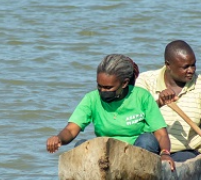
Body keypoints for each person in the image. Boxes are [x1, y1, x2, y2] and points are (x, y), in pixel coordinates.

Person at [46, 54, 176, 171]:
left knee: (148, 139)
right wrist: (59, 139)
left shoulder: (142, 97)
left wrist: (165, 153)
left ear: (124, 83)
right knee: (81, 146)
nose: (102, 91)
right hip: (106, 155)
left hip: (137, 154)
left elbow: (161, 134)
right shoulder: (91, 99)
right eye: (99, 86)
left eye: (108, 88)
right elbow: (71, 130)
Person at [137, 40, 201, 169]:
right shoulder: (145, 81)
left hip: (184, 152)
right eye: (185, 67)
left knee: (178, 165)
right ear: (168, 65)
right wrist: (158, 103)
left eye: (193, 65)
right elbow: (134, 116)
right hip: (150, 148)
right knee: (145, 143)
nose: (191, 70)